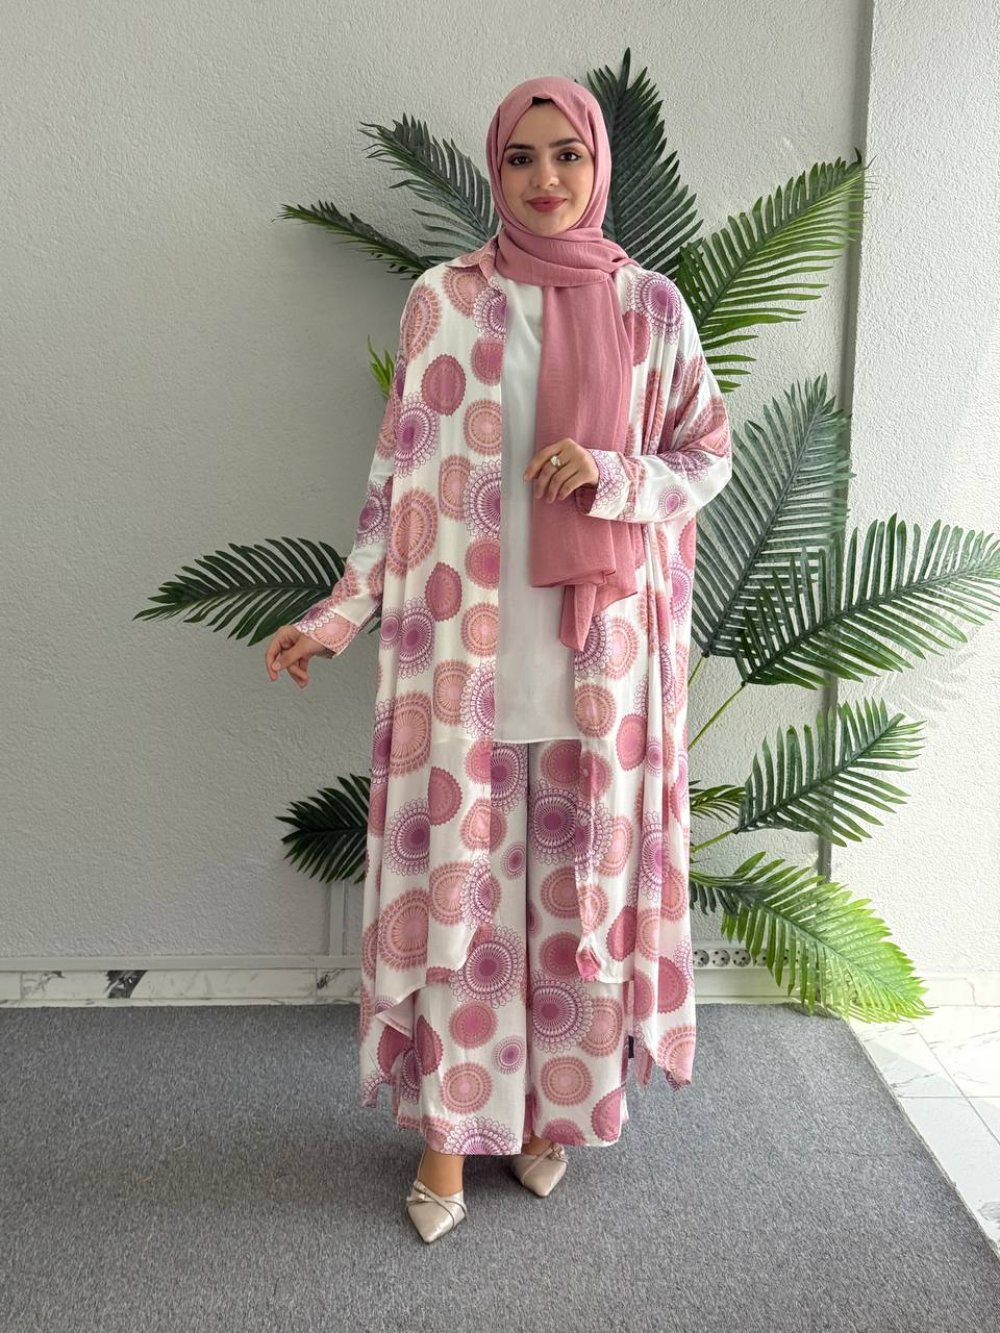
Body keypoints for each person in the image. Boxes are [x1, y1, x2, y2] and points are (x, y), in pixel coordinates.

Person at [265, 74, 733, 1244]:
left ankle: (546, 1115)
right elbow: (397, 478)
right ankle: (444, 1138)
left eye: (565, 154)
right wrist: (339, 612)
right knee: (463, 900)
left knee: (573, 897)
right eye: (520, 157)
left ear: (597, 165)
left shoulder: (649, 308)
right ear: (494, 169)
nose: (544, 178)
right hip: (464, 664)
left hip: (599, 668)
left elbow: (706, 455)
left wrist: (611, 475)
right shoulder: (446, 301)